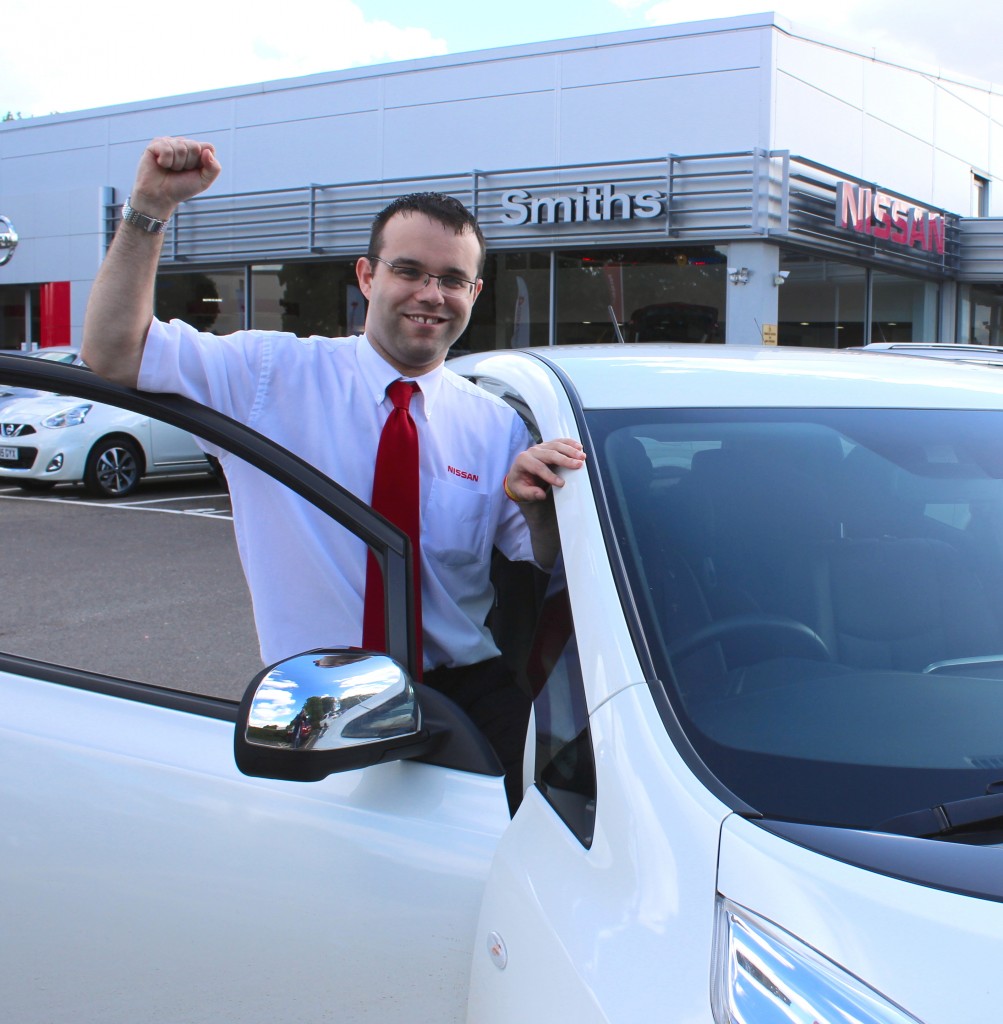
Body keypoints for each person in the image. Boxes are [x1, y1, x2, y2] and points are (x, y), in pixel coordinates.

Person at [82, 136, 585, 806]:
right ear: (367, 276)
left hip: (468, 696)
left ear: (474, 291)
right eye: (409, 271)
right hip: (320, 699)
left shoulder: (497, 425)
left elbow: (542, 562)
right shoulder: (269, 375)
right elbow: (115, 353)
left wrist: (535, 507)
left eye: (452, 280)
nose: (430, 295)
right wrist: (149, 209)